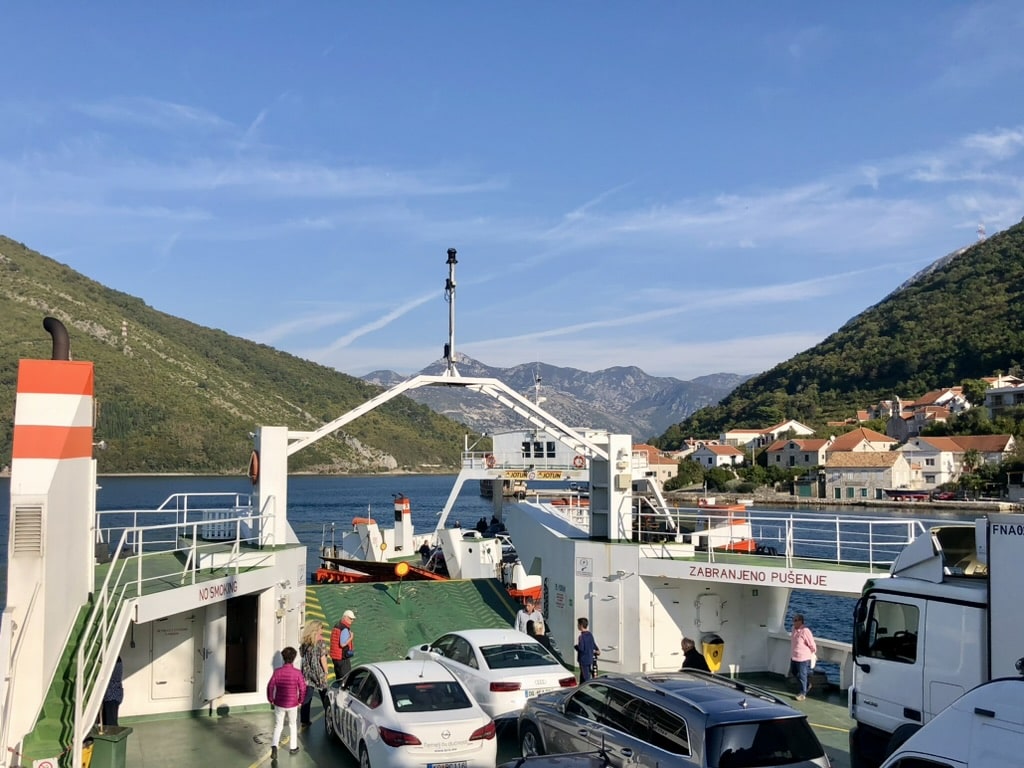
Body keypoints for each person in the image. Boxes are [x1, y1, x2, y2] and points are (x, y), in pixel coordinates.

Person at [267, 646, 307, 759]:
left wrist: (271, 699)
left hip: (279, 703)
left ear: (283, 658)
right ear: (294, 658)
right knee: (292, 725)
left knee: (278, 725)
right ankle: (293, 747)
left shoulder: (277, 672)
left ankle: (274, 745)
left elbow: (270, 686)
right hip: (293, 704)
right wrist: (301, 701)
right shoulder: (297, 673)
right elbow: (303, 688)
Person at [299, 620, 329, 729]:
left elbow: (302, 655)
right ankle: (329, 718)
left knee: (307, 698)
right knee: (325, 697)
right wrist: (326, 672)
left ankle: (304, 720)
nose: (322, 631)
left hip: (307, 674)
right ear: (316, 630)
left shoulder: (304, 644)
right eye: (321, 628)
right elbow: (323, 659)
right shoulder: (321, 643)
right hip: (319, 674)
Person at [789, 613, 817, 701]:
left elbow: (812, 644)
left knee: (802, 675)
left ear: (801, 621)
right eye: (793, 620)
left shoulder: (805, 631)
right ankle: (807, 684)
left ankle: (802, 693)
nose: (794, 622)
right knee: (794, 672)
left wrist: (812, 653)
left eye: (796, 620)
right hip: (794, 656)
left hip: (803, 658)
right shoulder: (793, 629)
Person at [329, 609, 356, 680]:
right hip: (342, 658)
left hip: (336, 657)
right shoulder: (344, 629)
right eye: (350, 619)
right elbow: (342, 644)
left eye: (353, 619)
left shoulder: (337, 625)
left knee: (338, 677)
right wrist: (351, 637)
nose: (352, 621)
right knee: (346, 678)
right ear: (345, 617)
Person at [574, 617, 599, 683]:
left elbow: (581, 649)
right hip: (589, 658)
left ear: (581, 625)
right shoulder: (590, 635)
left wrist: (576, 647)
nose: (577, 626)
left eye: (578, 625)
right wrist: (597, 650)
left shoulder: (581, 637)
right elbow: (594, 644)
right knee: (583, 675)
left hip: (583, 660)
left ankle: (586, 686)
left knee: (585, 676)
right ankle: (580, 687)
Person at [101, 656, 124, 727]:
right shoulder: (118, 661)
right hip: (114, 695)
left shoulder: (115, 663)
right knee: (110, 720)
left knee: (110, 723)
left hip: (111, 696)